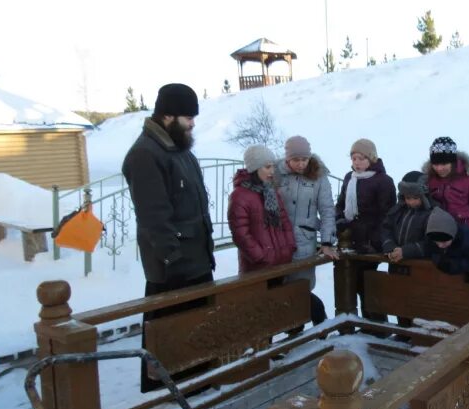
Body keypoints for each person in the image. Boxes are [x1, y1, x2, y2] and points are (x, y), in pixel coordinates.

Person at [122, 83, 215, 392]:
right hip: (173, 269)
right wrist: (173, 259)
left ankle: (197, 384)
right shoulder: (145, 154)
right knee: (171, 336)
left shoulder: (180, 150)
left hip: (196, 262)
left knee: (196, 332)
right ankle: (172, 394)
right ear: (168, 116)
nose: (192, 123)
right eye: (188, 117)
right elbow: (154, 218)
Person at [276, 136, 338, 327]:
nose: (301, 164)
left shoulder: (318, 176)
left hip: (304, 242)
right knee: (280, 291)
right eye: (296, 160)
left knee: (301, 289)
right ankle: (293, 331)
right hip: (278, 242)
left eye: (304, 159)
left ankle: (314, 326)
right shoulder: (277, 173)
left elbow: (327, 210)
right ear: (287, 159)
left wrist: (327, 242)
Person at [336, 138, 396, 320]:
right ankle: (353, 321)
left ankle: (377, 325)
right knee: (350, 283)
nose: (357, 163)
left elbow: (387, 215)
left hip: (370, 242)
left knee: (368, 284)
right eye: (354, 158)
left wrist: (375, 241)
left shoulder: (383, 181)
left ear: (371, 159)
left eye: (361, 158)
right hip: (350, 239)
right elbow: (340, 204)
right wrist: (340, 220)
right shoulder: (349, 178)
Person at [228, 145, 295, 274]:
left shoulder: (271, 190)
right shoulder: (239, 196)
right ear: (255, 168)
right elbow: (240, 234)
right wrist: (260, 256)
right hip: (257, 268)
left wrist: (289, 247)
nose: (272, 171)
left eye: (273, 166)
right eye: (267, 167)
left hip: (281, 262)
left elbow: (284, 221)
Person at [423, 136, 469, 230]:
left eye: (444, 164)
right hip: (440, 232)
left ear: (453, 162)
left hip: (466, 231)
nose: (439, 168)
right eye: (435, 164)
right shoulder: (429, 179)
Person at [381, 171, 436, 262]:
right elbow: (386, 229)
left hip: (420, 264)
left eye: (415, 198)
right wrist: (390, 246)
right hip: (395, 259)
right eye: (408, 198)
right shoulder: (397, 210)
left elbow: (431, 242)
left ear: (424, 196)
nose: (411, 202)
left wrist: (406, 251)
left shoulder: (432, 214)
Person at [425, 207, 469, 274]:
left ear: (452, 234)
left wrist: (453, 265)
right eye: (436, 242)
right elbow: (434, 252)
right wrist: (439, 260)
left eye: (444, 242)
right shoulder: (433, 238)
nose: (440, 245)